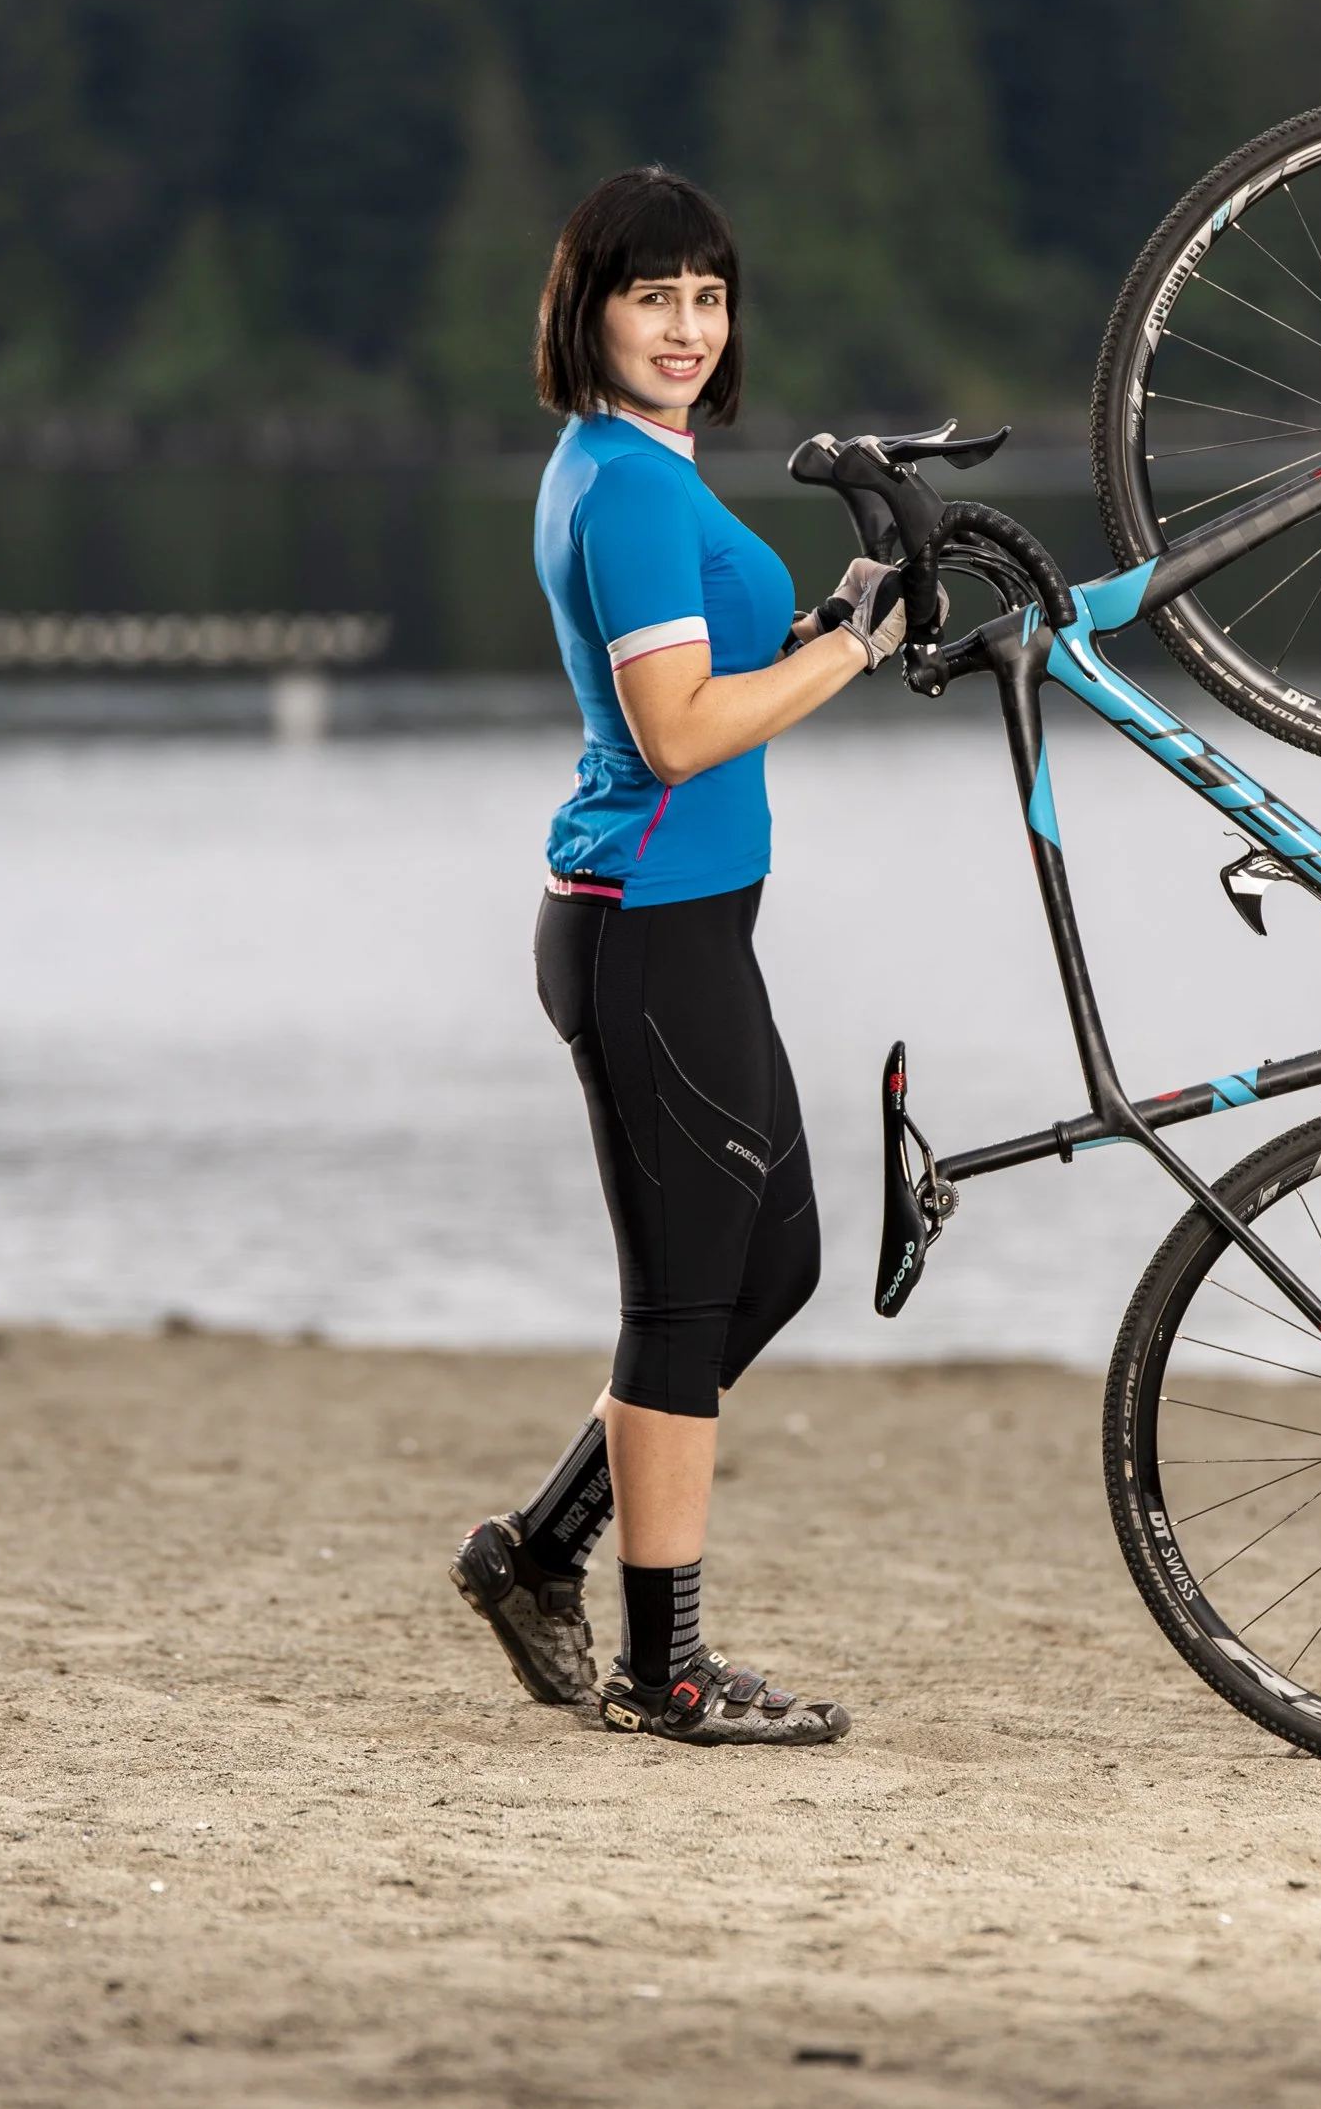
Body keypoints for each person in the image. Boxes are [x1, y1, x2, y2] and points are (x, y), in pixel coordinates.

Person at [451, 165, 922, 1746]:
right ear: (585, 308)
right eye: (651, 294)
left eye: (709, 297)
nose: (685, 326)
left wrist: (817, 636)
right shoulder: (633, 488)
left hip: (681, 925)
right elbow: (671, 733)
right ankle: (666, 1671)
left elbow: (712, 686)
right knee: (680, 1304)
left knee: (766, 1265)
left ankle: (541, 1553)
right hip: (645, 932)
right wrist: (853, 652)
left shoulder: (629, 463)